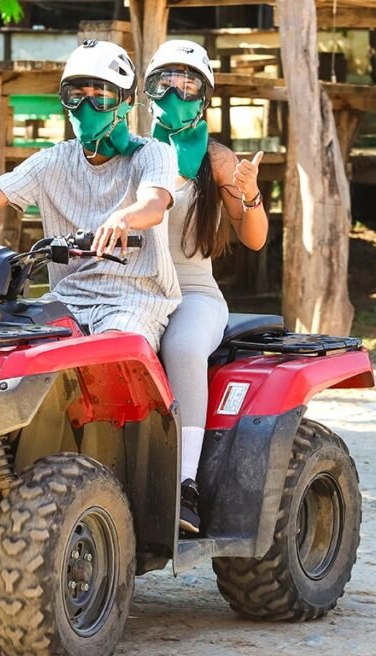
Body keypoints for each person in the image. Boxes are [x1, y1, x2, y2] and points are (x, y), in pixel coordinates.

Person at [0, 40, 180, 351]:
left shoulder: (152, 153)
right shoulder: (53, 161)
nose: (86, 107)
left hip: (135, 301)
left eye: (100, 97)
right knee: (5, 350)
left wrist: (124, 217)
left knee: (116, 352)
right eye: (76, 95)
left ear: (126, 102)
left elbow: (154, 204)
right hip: (67, 299)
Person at [144, 40, 270, 533]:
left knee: (183, 347)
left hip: (193, 294)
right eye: (165, 82)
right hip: (133, 290)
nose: (176, 91)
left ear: (205, 96)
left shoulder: (215, 160)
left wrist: (251, 192)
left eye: (188, 83)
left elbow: (254, 239)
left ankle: (185, 485)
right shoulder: (131, 151)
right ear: (146, 92)